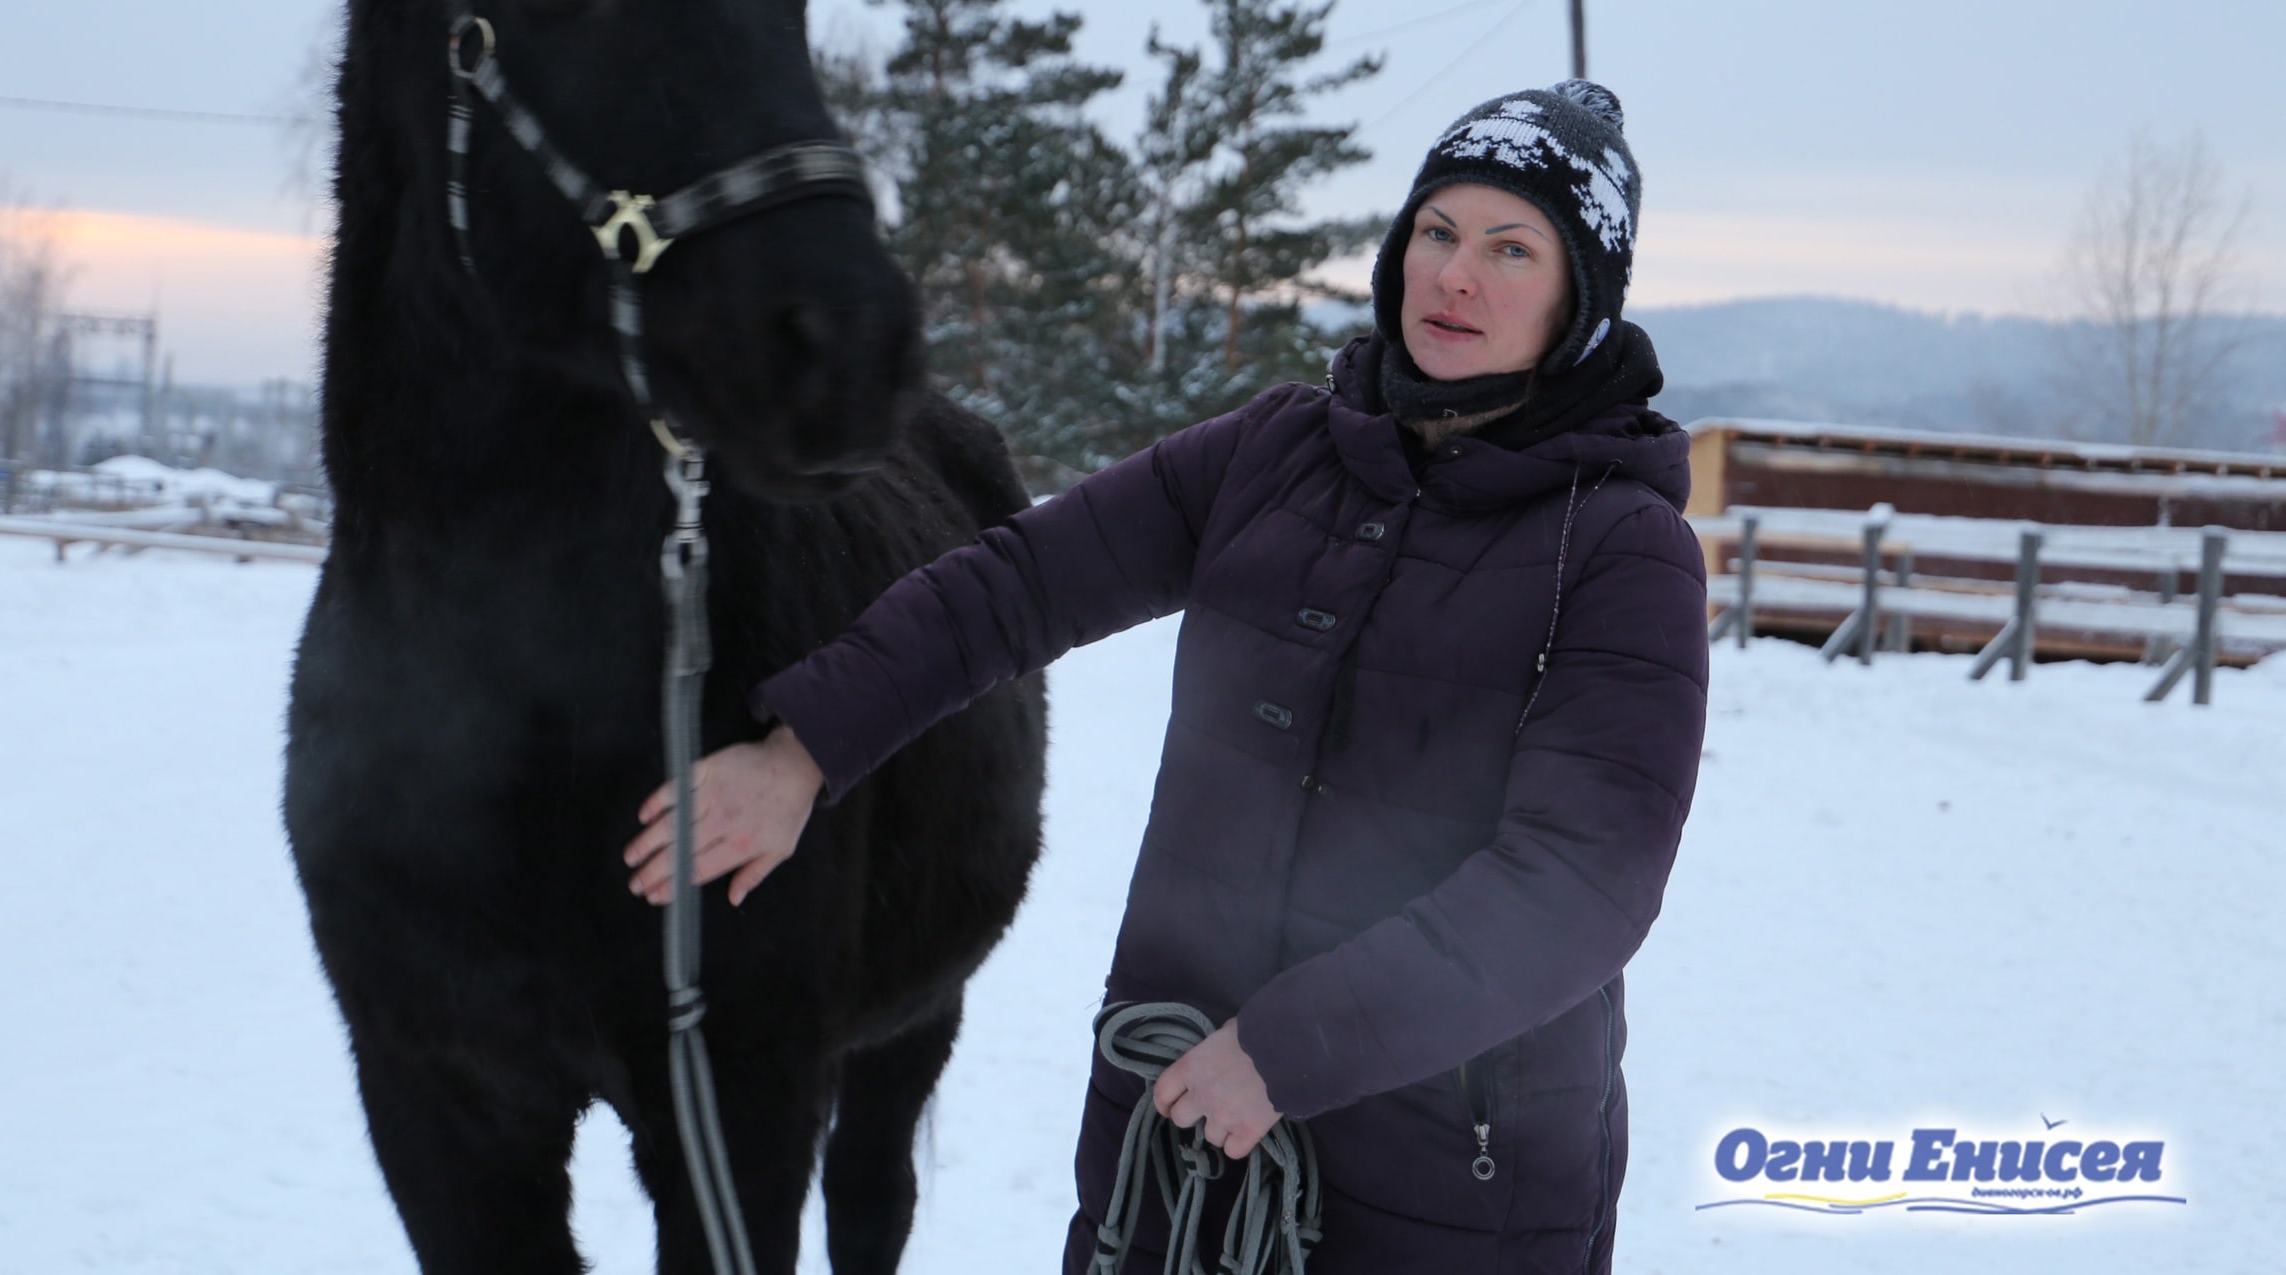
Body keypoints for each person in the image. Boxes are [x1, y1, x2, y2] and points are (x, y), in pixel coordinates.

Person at [625, 79, 1709, 1272]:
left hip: (1450, 1182)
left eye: (1513, 250)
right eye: (1439, 232)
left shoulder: (1616, 548)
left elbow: (1576, 888)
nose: (1455, 276)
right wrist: (809, 747)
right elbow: (1020, 579)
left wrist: (1287, 1052)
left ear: (1579, 303)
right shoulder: (1278, 452)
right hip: (1177, 1114)